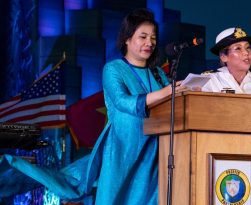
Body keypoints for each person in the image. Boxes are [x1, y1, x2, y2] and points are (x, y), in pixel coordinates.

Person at [0, 8, 183, 205]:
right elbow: (122, 101)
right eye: (143, 36)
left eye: (153, 38)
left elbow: (170, 103)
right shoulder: (113, 69)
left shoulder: (157, 73)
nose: (150, 43)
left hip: (154, 150)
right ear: (127, 39)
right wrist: (165, 93)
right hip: (122, 150)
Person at [201, 27, 251, 96]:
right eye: (238, 48)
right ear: (223, 57)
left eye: (247, 47)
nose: (246, 52)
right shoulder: (209, 79)